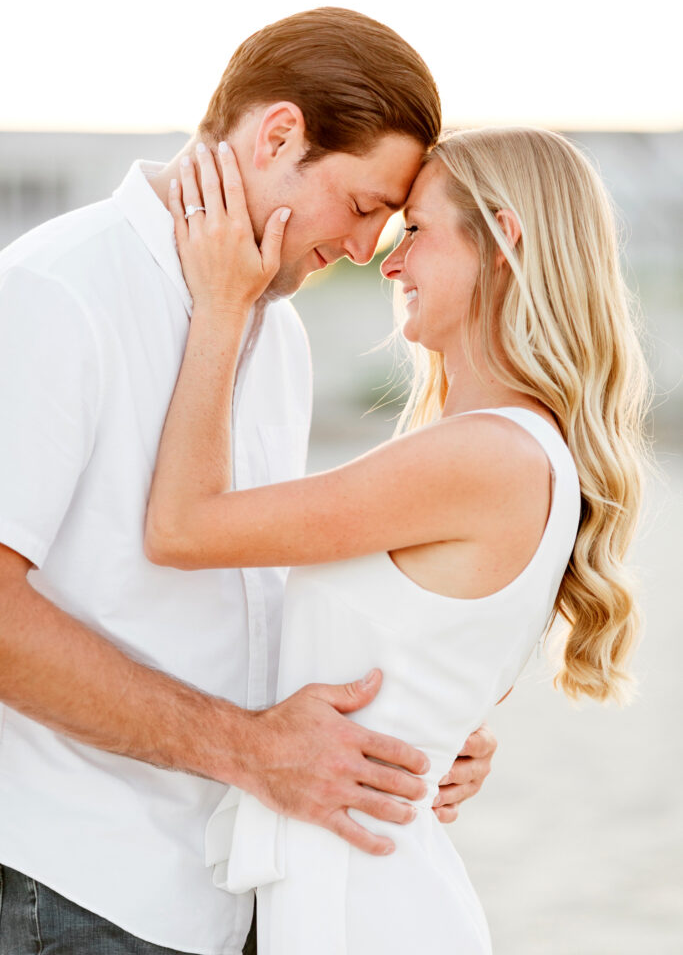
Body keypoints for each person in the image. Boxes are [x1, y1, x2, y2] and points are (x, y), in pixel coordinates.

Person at [0, 8, 497, 955]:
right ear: (278, 137)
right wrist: (248, 749)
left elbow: (248, 603)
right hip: (75, 889)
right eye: (360, 207)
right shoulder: (55, 291)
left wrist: (409, 735)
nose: (364, 251)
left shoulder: (279, 327)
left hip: (232, 885)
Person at [144, 125, 651, 954]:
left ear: (500, 241)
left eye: (413, 229)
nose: (387, 262)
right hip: (351, 889)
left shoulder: (484, 454)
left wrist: (222, 309)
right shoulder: (513, 451)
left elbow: (181, 527)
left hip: (363, 907)